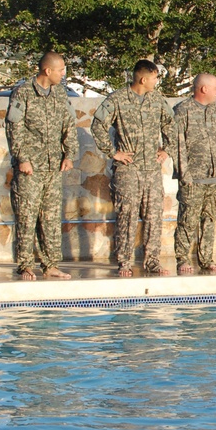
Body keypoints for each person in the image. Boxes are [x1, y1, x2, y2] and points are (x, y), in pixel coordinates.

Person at [92, 60, 175, 276]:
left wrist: (167, 149)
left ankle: (152, 261)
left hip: (151, 170)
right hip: (127, 169)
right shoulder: (118, 99)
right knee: (126, 216)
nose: (157, 82)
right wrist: (113, 153)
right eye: (155, 77)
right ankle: (125, 262)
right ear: (143, 78)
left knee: (154, 216)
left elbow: (171, 124)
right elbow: (98, 125)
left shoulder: (157, 99)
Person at [5, 52, 79, 280]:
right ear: (47, 71)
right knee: (27, 217)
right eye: (60, 70)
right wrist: (22, 158)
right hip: (30, 168)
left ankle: (50, 264)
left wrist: (69, 154)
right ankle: (26, 264)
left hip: (53, 167)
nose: (63, 73)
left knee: (50, 218)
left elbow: (69, 125)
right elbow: (13, 127)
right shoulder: (23, 92)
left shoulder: (59, 94)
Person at [172, 73, 216, 274]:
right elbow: (177, 144)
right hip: (193, 177)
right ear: (203, 89)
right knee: (188, 220)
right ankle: (182, 259)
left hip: (214, 176)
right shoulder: (182, 111)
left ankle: (206, 259)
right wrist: (184, 173)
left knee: (209, 219)